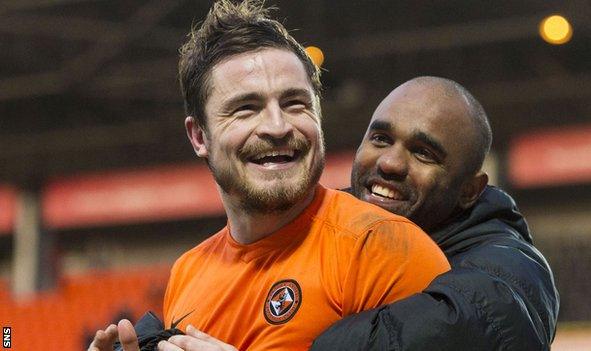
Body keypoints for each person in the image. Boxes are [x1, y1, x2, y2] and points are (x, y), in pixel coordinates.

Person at [88, 2, 450, 351]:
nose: (277, 127)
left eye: (295, 103)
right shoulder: (188, 271)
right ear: (199, 136)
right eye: (246, 109)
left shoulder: (385, 250)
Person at [310, 77, 560, 350]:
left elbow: (479, 320)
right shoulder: (322, 223)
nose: (390, 163)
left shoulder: (512, 267)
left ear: (469, 190)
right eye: (381, 139)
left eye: (423, 154)